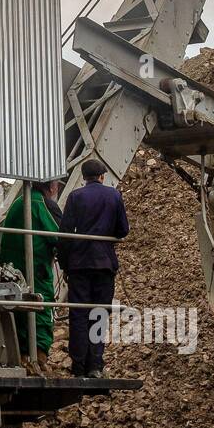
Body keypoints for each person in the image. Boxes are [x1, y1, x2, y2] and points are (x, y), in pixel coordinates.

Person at [59, 158, 129, 378]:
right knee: (98, 314)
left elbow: (65, 233)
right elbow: (123, 230)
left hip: (79, 265)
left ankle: (78, 366)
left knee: (79, 314)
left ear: (84, 177)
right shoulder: (114, 196)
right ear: (102, 176)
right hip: (104, 264)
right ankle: (95, 367)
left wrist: (64, 264)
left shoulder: (75, 197)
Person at [0, 179, 65, 368]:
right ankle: (39, 357)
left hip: (10, 270)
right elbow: (61, 237)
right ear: (51, 186)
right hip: (35, 269)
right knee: (41, 308)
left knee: (18, 310)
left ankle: (21, 356)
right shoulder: (43, 204)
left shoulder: (18, 203)